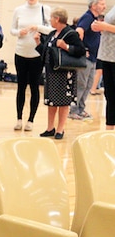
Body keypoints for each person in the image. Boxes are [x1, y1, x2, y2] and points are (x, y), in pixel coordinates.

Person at [37, 7, 85, 140]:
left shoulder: (70, 34)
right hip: (51, 72)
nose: (50, 20)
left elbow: (81, 50)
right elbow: (46, 52)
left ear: (57, 19)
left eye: (51, 18)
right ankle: (50, 128)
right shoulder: (52, 33)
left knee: (63, 102)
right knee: (51, 102)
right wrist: (37, 42)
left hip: (64, 74)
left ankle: (60, 129)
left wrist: (66, 47)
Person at [10, 0, 52, 131]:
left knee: (34, 86)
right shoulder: (19, 10)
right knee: (21, 86)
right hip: (20, 52)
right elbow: (12, 29)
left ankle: (31, 120)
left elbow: (52, 29)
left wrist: (37, 27)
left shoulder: (44, 9)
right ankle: (19, 118)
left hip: (36, 54)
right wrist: (18, 32)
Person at [71, 0, 107, 121]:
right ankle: (73, 110)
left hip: (93, 58)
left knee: (88, 84)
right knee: (80, 84)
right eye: (101, 4)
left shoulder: (95, 19)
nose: (104, 6)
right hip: (85, 58)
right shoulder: (87, 17)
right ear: (93, 5)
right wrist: (82, 49)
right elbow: (79, 31)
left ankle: (81, 108)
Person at [91, 5, 115, 130]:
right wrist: (98, 26)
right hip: (107, 55)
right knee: (110, 95)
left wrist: (105, 26)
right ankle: (109, 129)